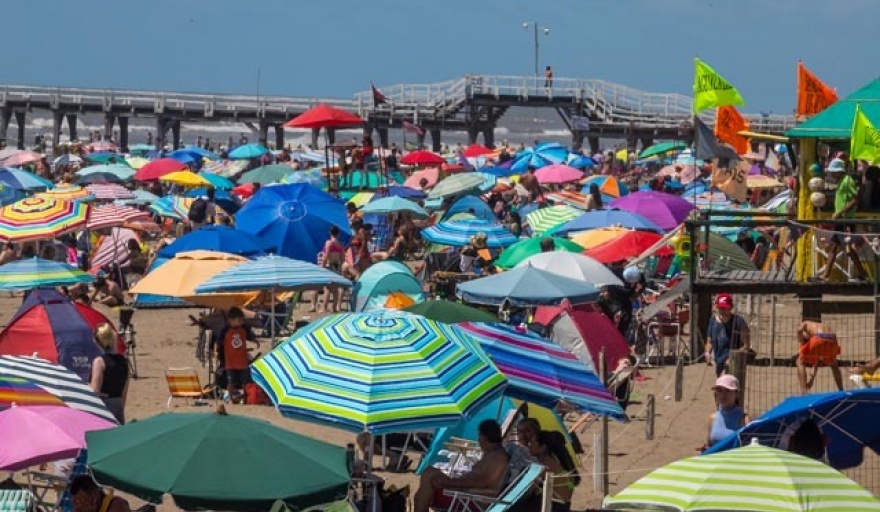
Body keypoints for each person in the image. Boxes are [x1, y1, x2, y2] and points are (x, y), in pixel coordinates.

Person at [413, 420, 510, 512]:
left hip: (471, 500)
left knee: (427, 481)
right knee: (428, 475)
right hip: (465, 493)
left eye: (479, 436)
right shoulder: (492, 454)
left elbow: (482, 483)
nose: (478, 440)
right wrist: (451, 482)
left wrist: (450, 482)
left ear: (484, 437)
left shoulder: (498, 458)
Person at [821, 158, 867, 281]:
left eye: (832, 172)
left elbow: (855, 200)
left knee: (846, 248)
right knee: (836, 248)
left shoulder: (847, 181)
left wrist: (840, 213)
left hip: (845, 220)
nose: (831, 174)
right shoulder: (842, 181)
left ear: (838, 171)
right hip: (841, 220)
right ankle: (825, 275)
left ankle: (862, 272)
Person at [216, 307, 259, 403]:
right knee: (231, 382)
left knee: (245, 382)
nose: (241, 322)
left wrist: (255, 340)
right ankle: (231, 398)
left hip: (242, 361)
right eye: (238, 320)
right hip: (230, 362)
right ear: (231, 320)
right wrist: (217, 352)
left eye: (241, 320)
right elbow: (219, 343)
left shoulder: (243, 328)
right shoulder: (225, 330)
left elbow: (249, 335)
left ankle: (245, 398)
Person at [529, 431, 579, 512]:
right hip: (564, 506)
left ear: (543, 447)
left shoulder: (545, 465)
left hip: (553, 507)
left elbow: (529, 490)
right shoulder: (557, 460)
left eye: (533, 442)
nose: (529, 445)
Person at [89, 323, 130, 424]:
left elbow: (95, 391)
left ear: (98, 343)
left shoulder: (99, 362)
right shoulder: (125, 362)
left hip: (103, 406)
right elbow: (124, 393)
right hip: (118, 406)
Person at [704, 293, 750, 376]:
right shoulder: (713, 321)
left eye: (725, 308)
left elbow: (746, 346)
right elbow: (710, 341)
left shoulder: (739, 322)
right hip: (719, 362)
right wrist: (707, 353)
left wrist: (733, 358)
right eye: (720, 307)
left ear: (730, 307)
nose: (722, 310)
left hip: (735, 364)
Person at [796, 320, 843, 394]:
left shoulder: (805, 323)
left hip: (818, 338)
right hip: (833, 339)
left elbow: (799, 330)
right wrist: (812, 379)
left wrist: (801, 340)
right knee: (834, 365)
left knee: (799, 362)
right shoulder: (819, 325)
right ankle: (841, 389)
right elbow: (816, 361)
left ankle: (804, 392)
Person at [705, 374, 749, 449]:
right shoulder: (712, 418)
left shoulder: (744, 420)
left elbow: (748, 449)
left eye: (728, 390)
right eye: (719, 390)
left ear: (736, 394)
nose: (723, 394)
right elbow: (709, 445)